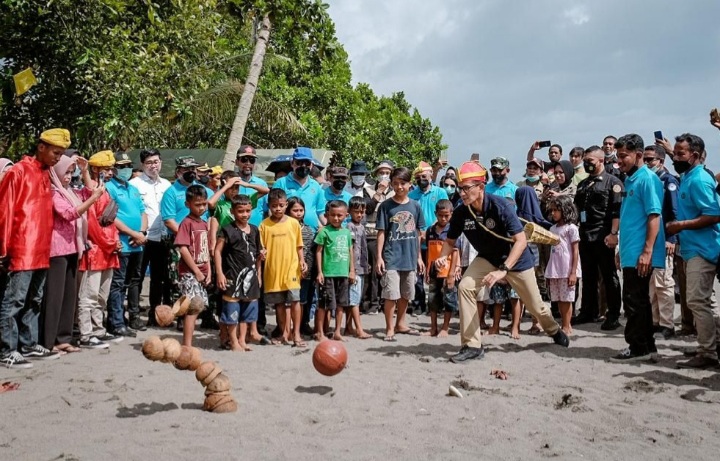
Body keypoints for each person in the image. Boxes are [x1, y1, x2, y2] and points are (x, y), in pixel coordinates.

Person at [434, 161, 569, 363]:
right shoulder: (461, 212)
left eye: (466, 188)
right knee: (465, 287)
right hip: (488, 257)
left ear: (480, 187)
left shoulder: (500, 205)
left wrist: (504, 270)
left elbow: (521, 240)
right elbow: (450, 241)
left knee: (536, 306)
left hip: (516, 260)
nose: (461, 193)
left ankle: (553, 330)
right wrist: (443, 256)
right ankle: (472, 345)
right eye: (460, 188)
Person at [0, 128, 70, 367]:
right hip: (22, 249)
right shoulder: (18, 171)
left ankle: (28, 344)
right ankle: (6, 349)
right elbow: (5, 211)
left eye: (61, 154)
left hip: (42, 250)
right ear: (41, 147)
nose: (58, 158)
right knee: (15, 300)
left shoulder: (46, 174)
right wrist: (3, 249)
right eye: (55, 152)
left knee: (34, 299)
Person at [666, 133, 720, 369]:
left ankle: (708, 352)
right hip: (694, 249)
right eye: (674, 153)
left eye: (680, 154)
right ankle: (709, 345)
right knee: (704, 301)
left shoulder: (698, 180)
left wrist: (681, 225)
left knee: (697, 300)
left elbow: (713, 214)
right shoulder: (688, 176)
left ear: (695, 156)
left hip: (704, 249)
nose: (675, 157)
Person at [609, 134, 664, 363]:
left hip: (642, 252)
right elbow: (630, 220)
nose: (618, 161)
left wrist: (647, 251)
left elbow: (654, 215)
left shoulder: (647, 179)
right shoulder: (630, 180)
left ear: (638, 155)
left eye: (623, 156)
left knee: (633, 301)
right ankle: (648, 346)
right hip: (631, 251)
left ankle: (636, 346)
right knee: (639, 300)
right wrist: (623, 249)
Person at [41, 154, 104, 354]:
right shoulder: (53, 192)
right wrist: (93, 198)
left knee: (69, 296)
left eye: (71, 172)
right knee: (54, 297)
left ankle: (63, 338)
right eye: (65, 172)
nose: (68, 176)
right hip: (56, 251)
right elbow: (69, 213)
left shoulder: (68, 191)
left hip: (72, 249)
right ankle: (48, 341)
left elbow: (90, 192)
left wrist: (85, 171)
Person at [160, 155, 217, 330]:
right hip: (180, 240)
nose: (191, 172)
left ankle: (207, 316)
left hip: (201, 239)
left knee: (206, 277)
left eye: (193, 169)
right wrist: (188, 236)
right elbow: (169, 220)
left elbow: (209, 212)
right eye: (187, 170)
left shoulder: (200, 190)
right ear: (178, 172)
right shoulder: (171, 191)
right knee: (180, 281)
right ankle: (181, 317)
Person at [573, 145, 624, 329]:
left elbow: (617, 211)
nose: (587, 164)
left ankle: (613, 314)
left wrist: (613, 234)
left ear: (601, 160)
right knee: (588, 276)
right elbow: (577, 210)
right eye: (585, 161)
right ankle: (588, 311)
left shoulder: (613, 182)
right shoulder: (583, 184)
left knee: (609, 276)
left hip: (603, 235)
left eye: (590, 161)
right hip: (585, 235)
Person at [77, 151, 122, 349]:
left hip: (108, 249)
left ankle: (98, 330)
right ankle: (86, 334)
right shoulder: (92, 190)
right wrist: (110, 242)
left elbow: (110, 220)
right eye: (106, 168)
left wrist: (115, 241)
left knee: (102, 295)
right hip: (97, 249)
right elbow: (93, 224)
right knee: (89, 295)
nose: (110, 172)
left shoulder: (105, 189)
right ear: (96, 169)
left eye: (111, 168)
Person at [376, 167, 425, 341]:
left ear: (410, 184)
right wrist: (379, 257)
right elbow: (381, 232)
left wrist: (419, 257)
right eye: (395, 183)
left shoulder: (415, 206)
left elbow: (419, 233)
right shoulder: (385, 206)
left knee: (406, 293)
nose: (399, 187)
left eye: (402, 183)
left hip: (410, 257)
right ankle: (389, 327)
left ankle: (401, 323)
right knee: (391, 294)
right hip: (391, 256)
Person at [214, 195, 266, 351]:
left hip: (251, 276)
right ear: (232, 211)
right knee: (232, 309)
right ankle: (233, 341)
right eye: (241, 211)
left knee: (247, 309)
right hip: (232, 275)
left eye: (248, 211)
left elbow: (257, 255)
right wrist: (220, 274)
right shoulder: (227, 230)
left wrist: (259, 273)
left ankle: (243, 340)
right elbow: (217, 252)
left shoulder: (255, 230)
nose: (245, 214)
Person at [106, 151, 147, 336]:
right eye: (121, 166)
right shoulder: (109, 188)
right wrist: (132, 233)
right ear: (114, 169)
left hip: (137, 243)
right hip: (122, 242)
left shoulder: (133, 188)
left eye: (128, 166)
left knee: (133, 282)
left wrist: (142, 233)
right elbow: (110, 216)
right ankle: (116, 322)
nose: (126, 169)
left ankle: (131, 318)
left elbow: (143, 212)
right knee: (118, 283)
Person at [129, 148, 171, 327]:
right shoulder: (134, 185)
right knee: (136, 278)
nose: (153, 165)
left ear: (160, 162)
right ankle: (134, 315)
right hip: (143, 239)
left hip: (162, 238)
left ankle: (155, 313)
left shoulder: (167, 184)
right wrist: (138, 233)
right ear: (142, 165)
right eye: (149, 162)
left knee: (158, 278)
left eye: (156, 162)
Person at [260, 188, 306, 347]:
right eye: (274, 206)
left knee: (295, 301)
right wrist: (262, 255)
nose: (278, 209)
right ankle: (283, 333)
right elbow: (261, 248)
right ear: (269, 206)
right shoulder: (264, 225)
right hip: (273, 271)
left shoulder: (294, 223)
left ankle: (297, 334)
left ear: (286, 205)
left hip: (292, 270)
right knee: (279, 305)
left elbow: (299, 246)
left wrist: (302, 261)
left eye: (281, 205)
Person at [644, 145, 678, 340]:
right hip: (651, 240)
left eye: (651, 160)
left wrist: (672, 239)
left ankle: (667, 324)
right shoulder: (650, 181)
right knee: (652, 285)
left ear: (661, 162)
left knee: (664, 284)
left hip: (665, 239)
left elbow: (673, 211)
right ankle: (656, 321)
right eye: (646, 160)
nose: (648, 164)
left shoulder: (668, 181)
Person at [175, 185, 211, 347]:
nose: (202, 207)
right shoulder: (186, 223)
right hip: (190, 273)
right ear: (187, 204)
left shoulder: (203, 223)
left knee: (198, 307)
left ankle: (188, 343)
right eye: (197, 204)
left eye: (204, 204)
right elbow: (183, 248)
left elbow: (206, 248)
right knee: (192, 307)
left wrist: (208, 270)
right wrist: (196, 270)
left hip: (203, 271)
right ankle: (187, 345)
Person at [409, 161, 447, 314]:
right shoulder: (412, 195)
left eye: (424, 176)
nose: (421, 179)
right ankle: (419, 305)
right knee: (418, 273)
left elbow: (445, 213)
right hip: (417, 238)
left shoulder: (440, 193)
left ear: (431, 175)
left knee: (437, 273)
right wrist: (420, 232)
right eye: (418, 177)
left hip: (436, 238)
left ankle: (436, 305)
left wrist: (431, 230)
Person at [314, 200, 355, 342]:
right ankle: (320, 332)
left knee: (341, 305)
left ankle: (337, 331)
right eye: (333, 215)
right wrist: (320, 272)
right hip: (328, 274)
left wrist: (352, 271)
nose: (336, 218)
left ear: (346, 215)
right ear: (327, 215)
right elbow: (318, 252)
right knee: (324, 305)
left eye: (339, 215)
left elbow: (350, 251)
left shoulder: (347, 233)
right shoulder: (324, 232)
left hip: (343, 274)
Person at [545, 195, 581, 335]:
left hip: (567, 269)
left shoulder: (571, 228)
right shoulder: (552, 229)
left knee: (567, 299)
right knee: (559, 298)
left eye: (556, 210)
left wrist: (573, 272)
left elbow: (575, 250)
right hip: (555, 269)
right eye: (551, 210)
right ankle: (563, 324)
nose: (553, 213)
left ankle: (567, 325)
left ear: (565, 210)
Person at [364, 159, 395, 314]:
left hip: (391, 236)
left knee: (389, 270)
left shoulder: (396, 191)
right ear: (376, 174)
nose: (384, 176)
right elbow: (367, 209)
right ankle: (373, 303)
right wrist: (378, 193)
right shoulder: (368, 190)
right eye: (382, 173)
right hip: (372, 235)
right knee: (375, 270)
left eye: (388, 173)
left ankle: (387, 302)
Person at [424, 199, 458, 338]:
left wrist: (451, 273)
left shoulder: (453, 231)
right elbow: (428, 251)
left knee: (448, 299)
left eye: (446, 216)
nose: (443, 218)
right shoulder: (430, 230)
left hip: (447, 271)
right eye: (440, 215)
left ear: (451, 214)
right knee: (432, 299)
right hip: (433, 271)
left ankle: (445, 327)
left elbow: (455, 252)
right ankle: (433, 327)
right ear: (435, 214)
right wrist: (427, 269)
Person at [272, 147, 327, 232]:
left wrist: (329, 228)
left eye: (307, 163)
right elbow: (272, 209)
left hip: (312, 235)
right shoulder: (281, 183)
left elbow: (321, 212)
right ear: (292, 163)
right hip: (287, 233)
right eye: (299, 163)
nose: (303, 166)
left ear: (311, 165)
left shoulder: (315, 185)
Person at [285, 197, 316, 336]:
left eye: (301, 210)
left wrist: (307, 269)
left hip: (305, 271)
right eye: (295, 210)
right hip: (288, 269)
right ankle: (286, 328)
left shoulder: (309, 230)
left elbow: (309, 251)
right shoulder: (285, 228)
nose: (298, 213)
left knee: (303, 300)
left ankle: (303, 324)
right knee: (288, 300)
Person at [345, 197, 372, 339]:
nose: (360, 215)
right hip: (353, 268)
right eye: (356, 212)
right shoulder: (349, 227)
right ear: (349, 212)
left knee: (354, 298)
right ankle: (359, 329)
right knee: (354, 300)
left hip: (361, 267)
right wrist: (351, 269)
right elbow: (350, 250)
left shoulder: (361, 226)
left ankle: (348, 327)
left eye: (362, 212)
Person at [235, 145, 270, 227]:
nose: (248, 163)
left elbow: (268, 211)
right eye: (244, 160)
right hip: (235, 233)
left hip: (257, 232)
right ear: (237, 162)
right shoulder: (231, 182)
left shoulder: (262, 184)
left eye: (252, 160)